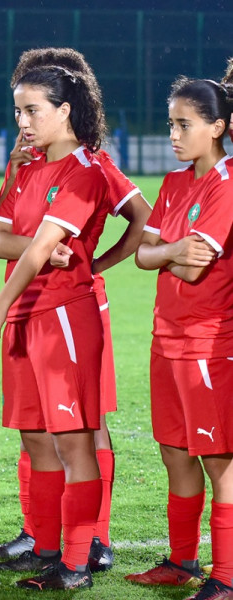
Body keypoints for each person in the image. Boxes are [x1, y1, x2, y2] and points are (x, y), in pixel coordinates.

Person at [0, 48, 152, 574]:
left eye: (32, 110)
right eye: (18, 111)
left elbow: (139, 218)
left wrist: (96, 262)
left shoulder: (86, 168)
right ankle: (45, 544)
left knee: (78, 433)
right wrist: (38, 246)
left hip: (64, 314)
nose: (21, 122)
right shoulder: (29, 166)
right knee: (35, 435)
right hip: (27, 314)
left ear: (65, 109)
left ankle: (83, 550)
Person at [125, 77, 233, 600]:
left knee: (219, 460)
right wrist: (168, 249)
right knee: (173, 451)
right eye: (171, 123)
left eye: (184, 124)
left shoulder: (228, 183)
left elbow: (192, 269)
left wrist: (162, 251)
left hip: (209, 341)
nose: (173, 133)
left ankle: (227, 578)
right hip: (164, 337)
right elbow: (145, 255)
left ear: (217, 128)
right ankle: (182, 560)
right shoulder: (172, 184)